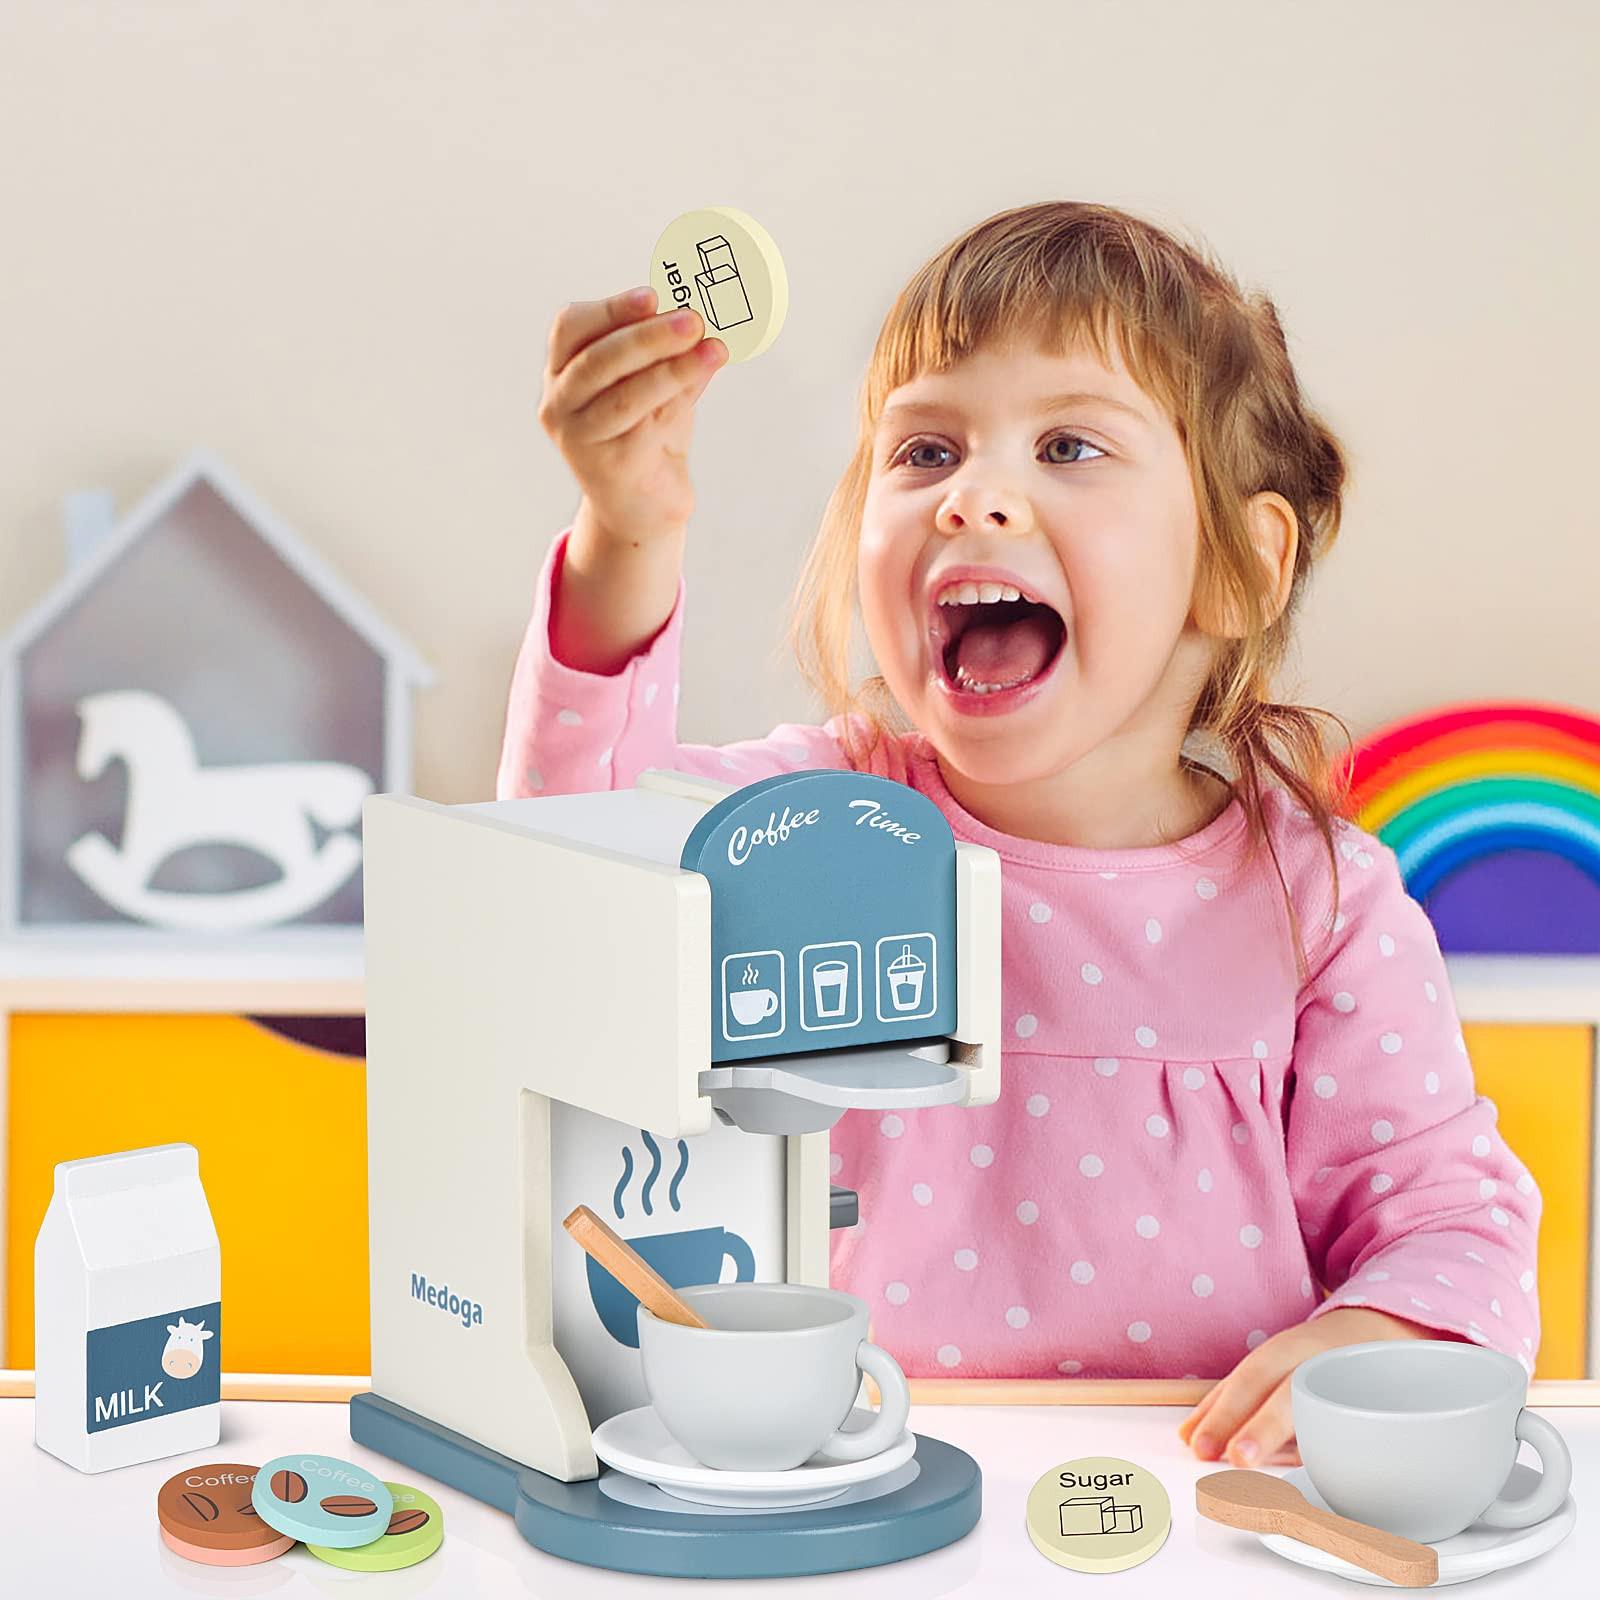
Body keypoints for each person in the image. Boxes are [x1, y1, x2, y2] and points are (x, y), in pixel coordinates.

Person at [499, 201, 1541, 1470]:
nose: (974, 498)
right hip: (846, 1494)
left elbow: (1449, 1219)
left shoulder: (1318, 902)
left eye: (1068, 445)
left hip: (1196, 1517)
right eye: (925, 452)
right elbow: (561, 879)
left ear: (1238, 565)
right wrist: (627, 540)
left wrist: (1384, 1331)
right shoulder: (812, 825)